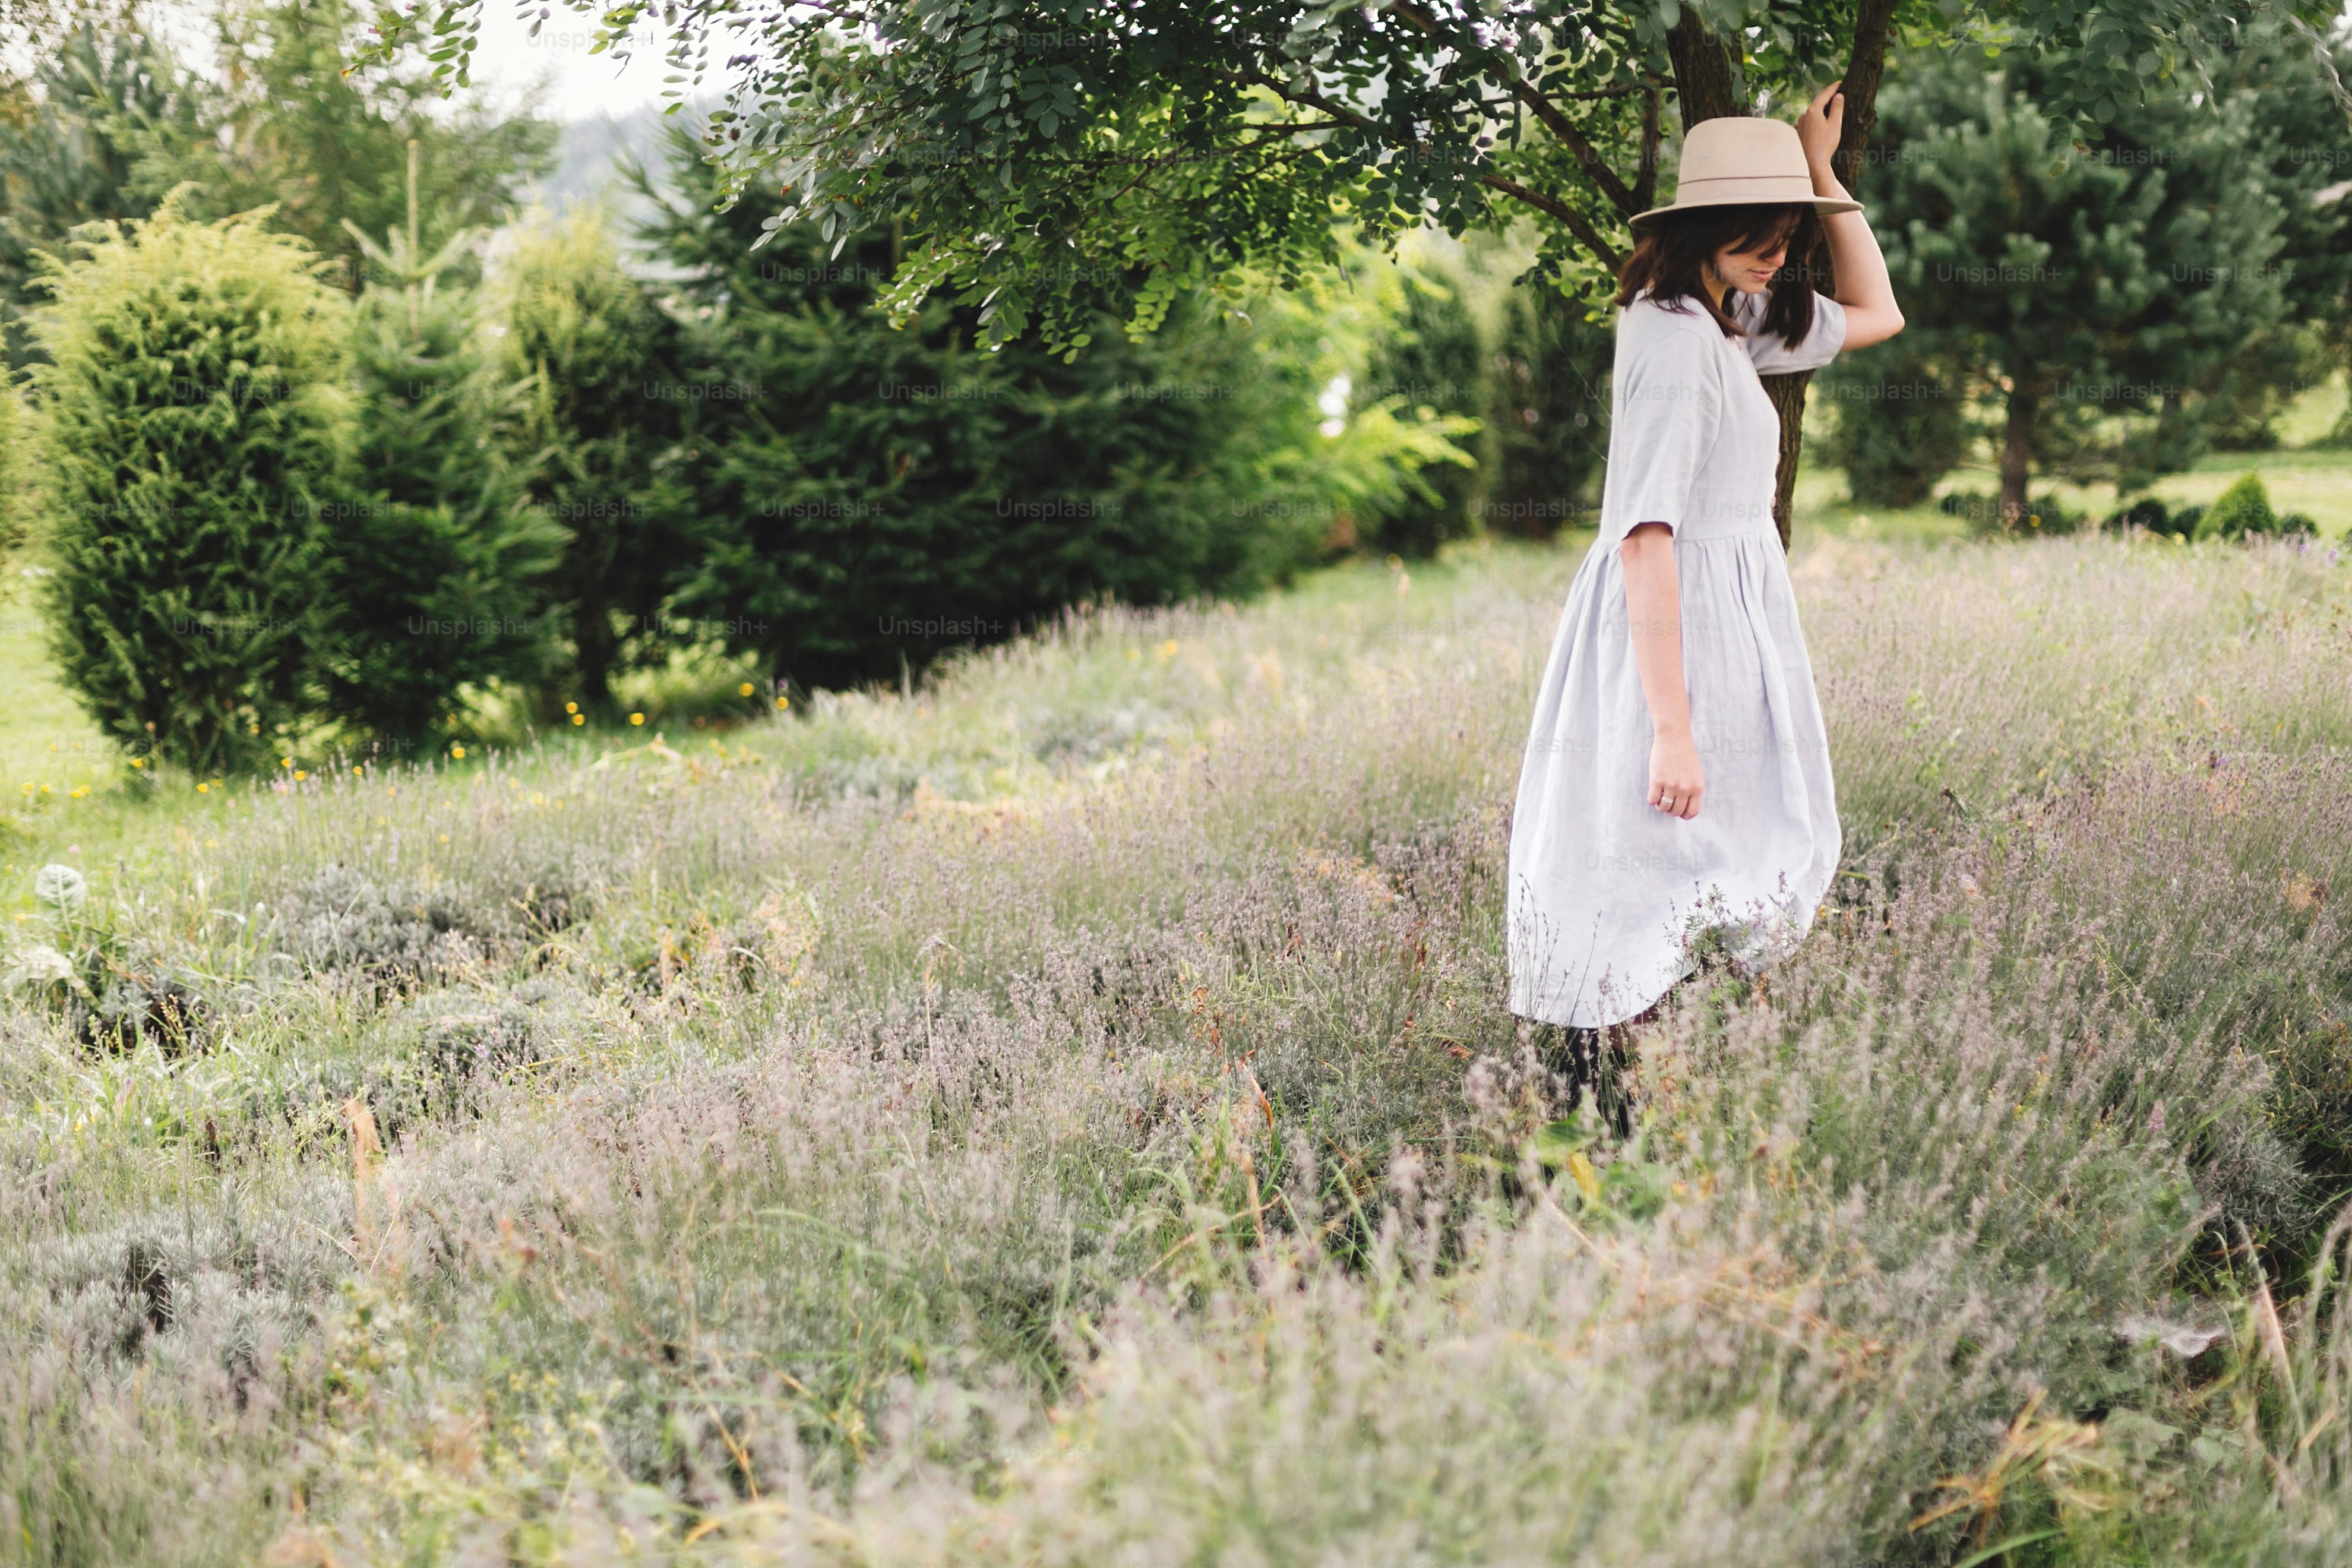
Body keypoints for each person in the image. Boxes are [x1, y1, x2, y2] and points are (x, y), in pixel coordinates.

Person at [1506, 84, 1907, 1127]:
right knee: (1655, 865)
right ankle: (1606, 1120)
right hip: (1673, 638)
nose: (1778, 256)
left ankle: (1662, 1108)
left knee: (1709, 869)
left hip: (1725, 631)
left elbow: (1881, 313)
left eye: (1786, 238)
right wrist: (1673, 732)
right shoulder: (1679, 343)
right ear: (1698, 229)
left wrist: (1823, 182)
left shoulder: (1722, 322)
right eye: (1757, 236)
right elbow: (1646, 534)